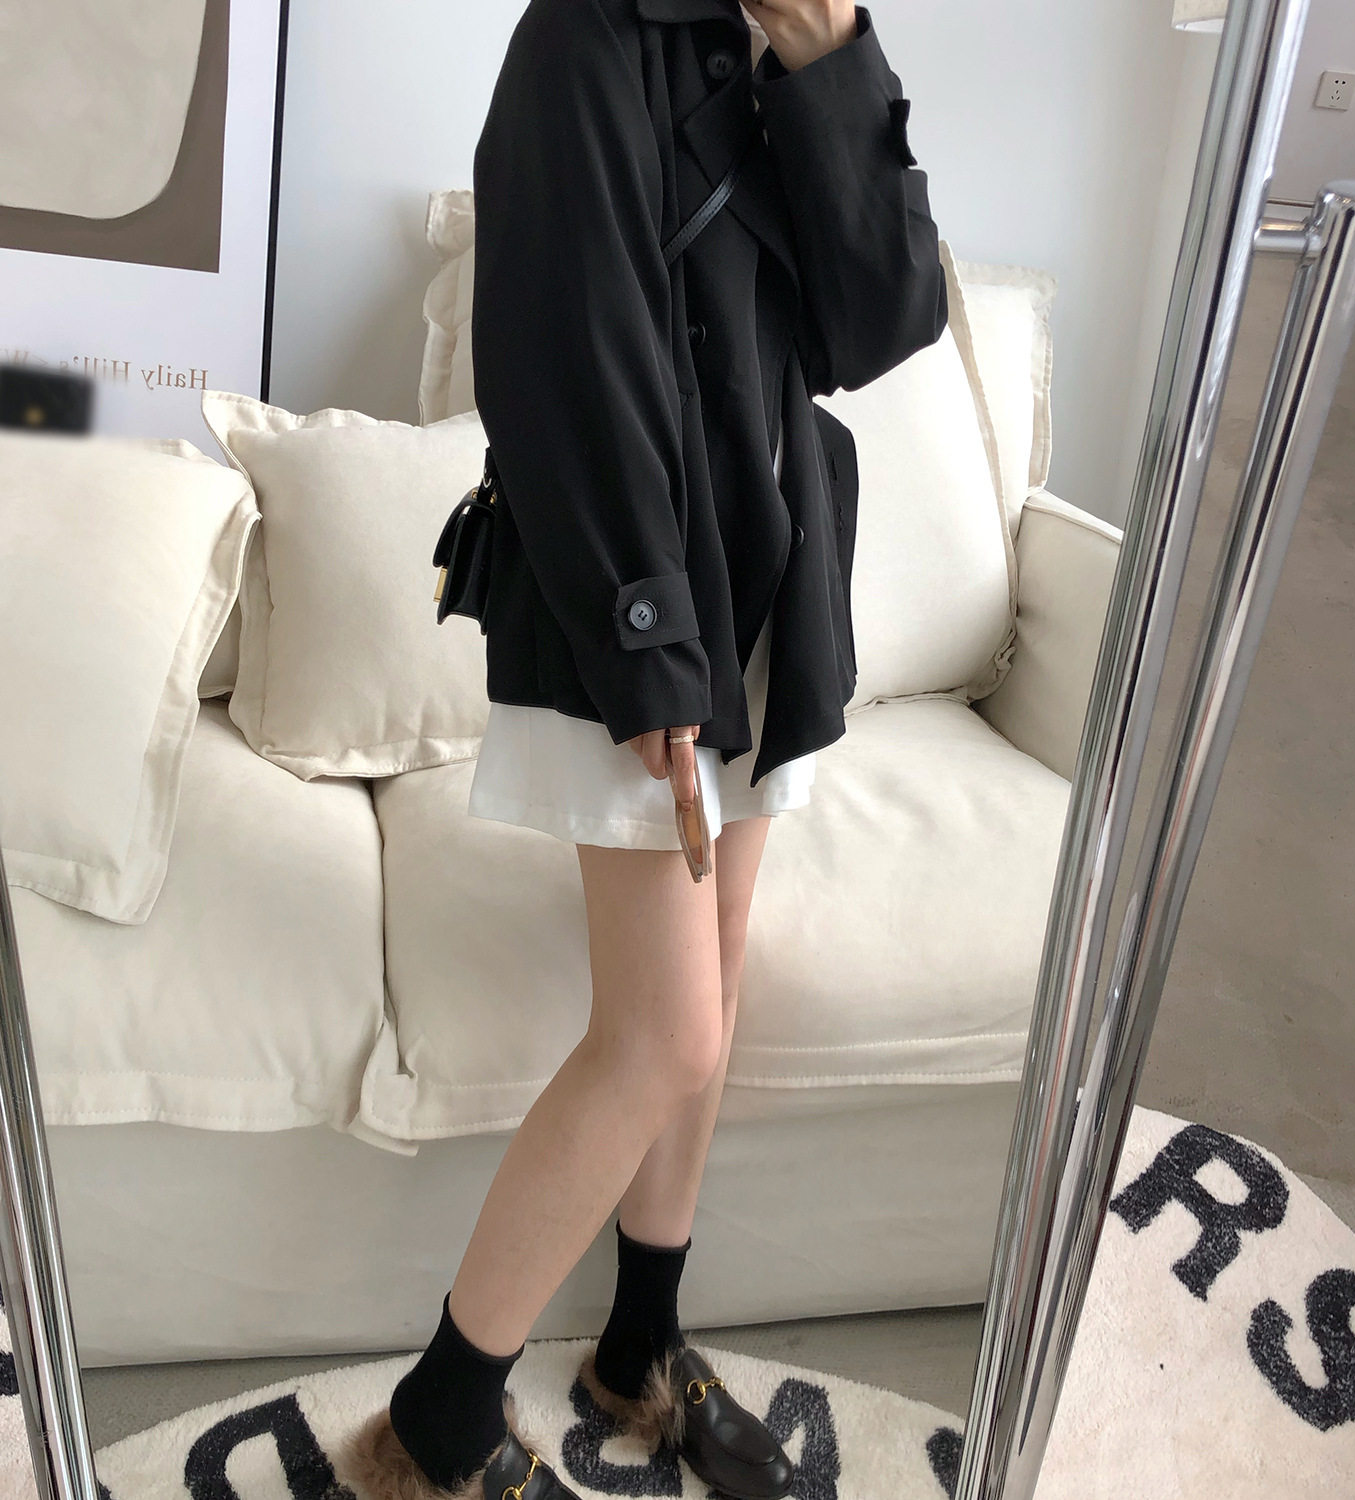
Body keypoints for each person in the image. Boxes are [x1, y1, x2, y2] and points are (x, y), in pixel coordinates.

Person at [352, 1, 946, 1497]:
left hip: (767, 595)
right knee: (663, 1033)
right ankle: (437, 1421)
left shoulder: (798, 47)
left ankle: (640, 1349)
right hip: (634, 608)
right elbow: (564, 353)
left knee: (717, 993)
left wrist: (832, 59)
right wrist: (647, 641)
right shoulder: (585, 37)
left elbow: (882, 320)